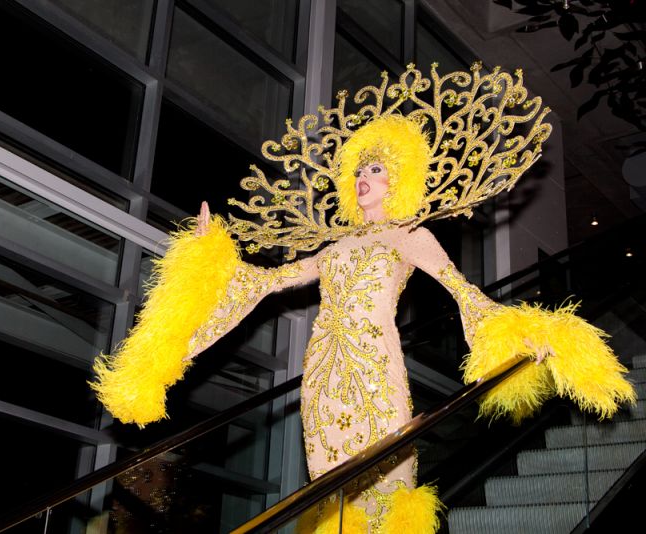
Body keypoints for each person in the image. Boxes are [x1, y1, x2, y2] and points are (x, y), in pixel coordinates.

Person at [91, 65, 635, 533]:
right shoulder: (337, 245)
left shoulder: (410, 234)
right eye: (357, 172)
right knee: (331, 490)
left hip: (374, 365)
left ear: (397, 177)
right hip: (324, 371)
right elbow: (268, 282)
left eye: (374, 170)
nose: (362, 180)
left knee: (384, 479)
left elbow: (466, 296)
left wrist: (529, 339)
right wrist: (213, 251)